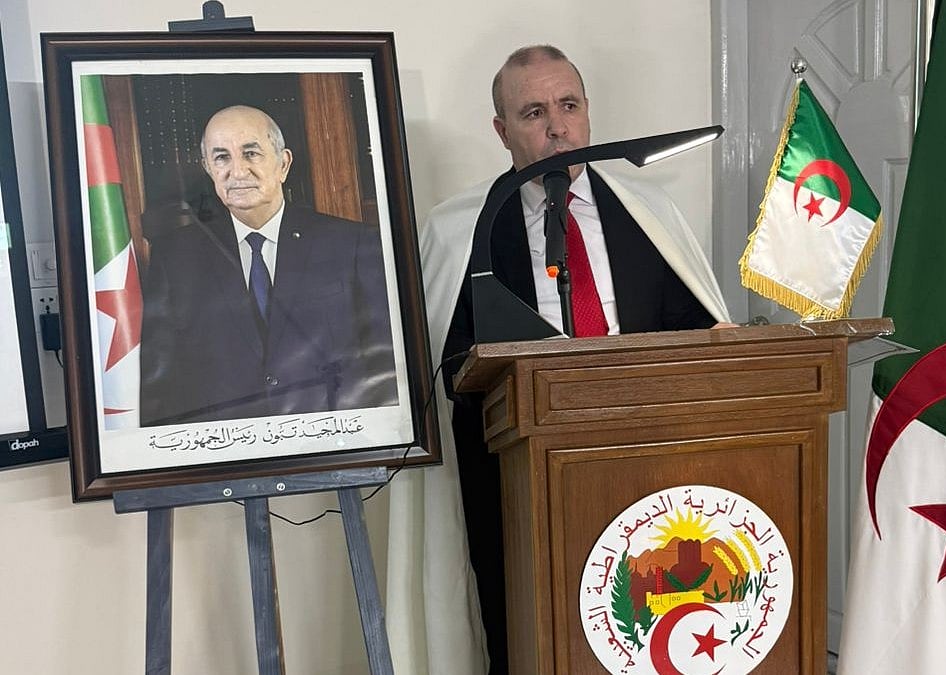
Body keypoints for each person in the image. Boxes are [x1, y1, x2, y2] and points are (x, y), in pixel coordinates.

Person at [414, 45, 731, 673]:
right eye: (534, 112)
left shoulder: (652, 214)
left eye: (569, 106)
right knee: (532, 636)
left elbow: (700, 340)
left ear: (588, 112)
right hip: (518, 483)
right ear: (502, 132)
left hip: (649, 463)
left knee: (645, 628)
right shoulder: (462, 229)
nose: (558, 127)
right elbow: (446, 375)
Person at [139, 105, 399, 426]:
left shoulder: (352, 244)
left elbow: (384, 364)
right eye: (222, 158)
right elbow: (160, 386)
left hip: (335, 444)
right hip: (225, 455)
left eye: (251, 153)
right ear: (208, 167)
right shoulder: (176, 258)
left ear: (283, 164)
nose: (237, 171)